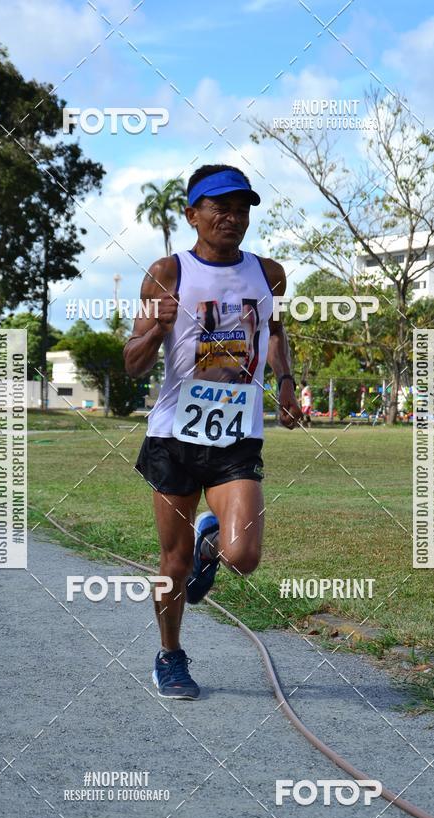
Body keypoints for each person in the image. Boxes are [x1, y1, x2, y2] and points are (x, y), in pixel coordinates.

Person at [124, 164, 302, 700]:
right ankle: (170, 655)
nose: (232, 217)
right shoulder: (166, 273)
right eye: (219, 207)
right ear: (192, 215)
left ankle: (213, 547)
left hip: (236, 434)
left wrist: (287, 383)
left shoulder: (268, 274)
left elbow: (273, 333)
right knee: (172, 562)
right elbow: (132, 365)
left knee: (243, 556)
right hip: (174, 436)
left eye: (241, 207)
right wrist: (158, 325)